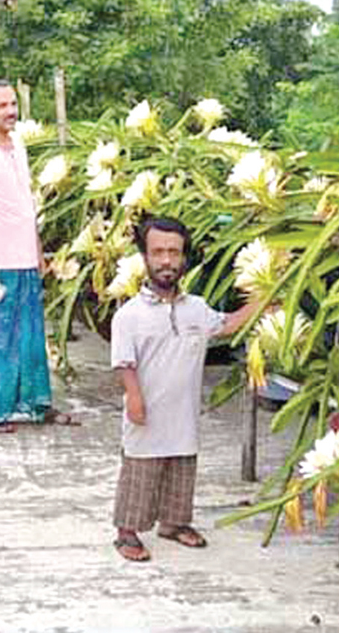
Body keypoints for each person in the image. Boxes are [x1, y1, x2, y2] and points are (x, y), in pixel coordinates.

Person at [110, 217, 259, 561]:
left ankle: (174, 524)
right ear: (145, 257)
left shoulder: (196, 309)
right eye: (158, 252)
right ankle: (127, 532)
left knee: (181, 467)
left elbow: (228, 324)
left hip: (184, 413)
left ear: (184, 258)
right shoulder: (129, 315)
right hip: (146, 410)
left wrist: (266, 301)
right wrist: (133, 396)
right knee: (141, 471)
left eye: (174, 252)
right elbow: (123, 362)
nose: (166, 260)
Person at [0, 79, 74, 433]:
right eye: (2, 106)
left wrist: (38, 251)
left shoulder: (18, 144)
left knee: (30, 338)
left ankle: (36, 406)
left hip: (25, 261)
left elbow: (26, 202)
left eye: (13, 104)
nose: (10, 111)